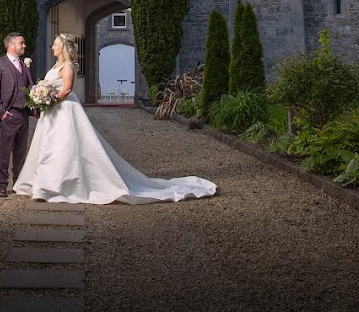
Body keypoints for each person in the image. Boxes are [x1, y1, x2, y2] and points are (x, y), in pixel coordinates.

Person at [13, 33, 217, 204]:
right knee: (49, 146)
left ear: (63, 47)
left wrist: (49, 99)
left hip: (64, 108)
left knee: (68, 146)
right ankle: (46, 183)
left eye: (55, 45)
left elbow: (66, 89)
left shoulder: (67, 66)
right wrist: (42, 96)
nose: (52, 47)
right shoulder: (56, 65)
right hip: (52, 112)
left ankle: (65, 184)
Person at [0, 31, 36, 198]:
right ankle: (2, 184)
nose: (24, 46)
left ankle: (19, 182)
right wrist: (1, 112)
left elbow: (31, 86)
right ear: (11, 45)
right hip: (9, 113)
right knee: (5, 149)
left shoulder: (24, 64)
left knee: (21, 150)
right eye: (21, 43)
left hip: (24, 113)